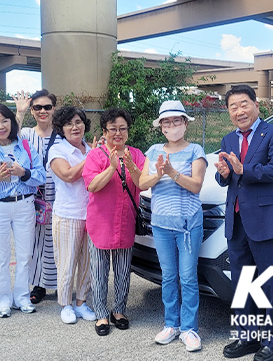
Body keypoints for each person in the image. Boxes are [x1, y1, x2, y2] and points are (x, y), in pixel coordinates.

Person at [214, 85, 273, 361]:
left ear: (256, 105)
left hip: (267, 221)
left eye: (244, 104)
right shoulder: (227, 140)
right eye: (233, 107)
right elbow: (226, 178)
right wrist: (223, 174)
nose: (239, 111)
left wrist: (242, 169)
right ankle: (247, 337)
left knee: (271, 283)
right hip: (236, 222)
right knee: (242, 282)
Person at [138, 100, 207, 352]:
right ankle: (171, 324)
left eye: (176, 121)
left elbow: (196, 185)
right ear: (161, 126)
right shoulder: (154, 150)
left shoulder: (195, 151)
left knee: (187, 277)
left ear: (185, 123)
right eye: (166, 122)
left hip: (188, 225)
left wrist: (171, 172)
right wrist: (159, 173)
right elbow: (143, 183)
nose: (171, 125)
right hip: (161, 224)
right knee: (168, 276)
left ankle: (190, 328)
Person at [0, 103, 46, 318]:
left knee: (25, 256)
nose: (1, 126)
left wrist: (23, 172)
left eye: (4, 120)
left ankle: (22, 297)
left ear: (12, 123)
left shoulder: (26, 148)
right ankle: (3, 300)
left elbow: (40, 177)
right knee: (0, 258)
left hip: (24, 206)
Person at [82, 108, 146, 336]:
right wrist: (112, 167)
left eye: (122, 128)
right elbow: (92, 185)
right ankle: (101, 313)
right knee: (99, 272)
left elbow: (143, 183)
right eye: (113, 129)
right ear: (104, 131)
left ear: (128, 131)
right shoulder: (95, 156)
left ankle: (119, 310)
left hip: (125, 221)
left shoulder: (136, 154)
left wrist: (129, 165)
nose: (118, 133)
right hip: (101, 222)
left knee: (122, 270)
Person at [48, 106, 97, 324]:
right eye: (69, 123)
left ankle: (81, 303)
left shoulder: (89, 147)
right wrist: (92, 157)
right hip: (68, 215)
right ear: (61, 128)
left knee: (87, 262)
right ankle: (65, 304)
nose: (74, 127)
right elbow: (68, 175)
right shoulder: (58, 150)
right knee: (67, 263)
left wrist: (93, 153)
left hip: (92, 214)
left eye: (78, 122)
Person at [14, 89, 61, 304]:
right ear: (32, 111)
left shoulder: (62, 135)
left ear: (54, 109)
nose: (43, 111)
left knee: (57, 241)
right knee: (35, 242)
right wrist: (19, 112)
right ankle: (38, 284)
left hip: (59, 194)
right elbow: (10, 137)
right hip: (34, 193)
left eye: (47, 107)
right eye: (37, 107)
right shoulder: (25, 134)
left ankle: (62, 282)